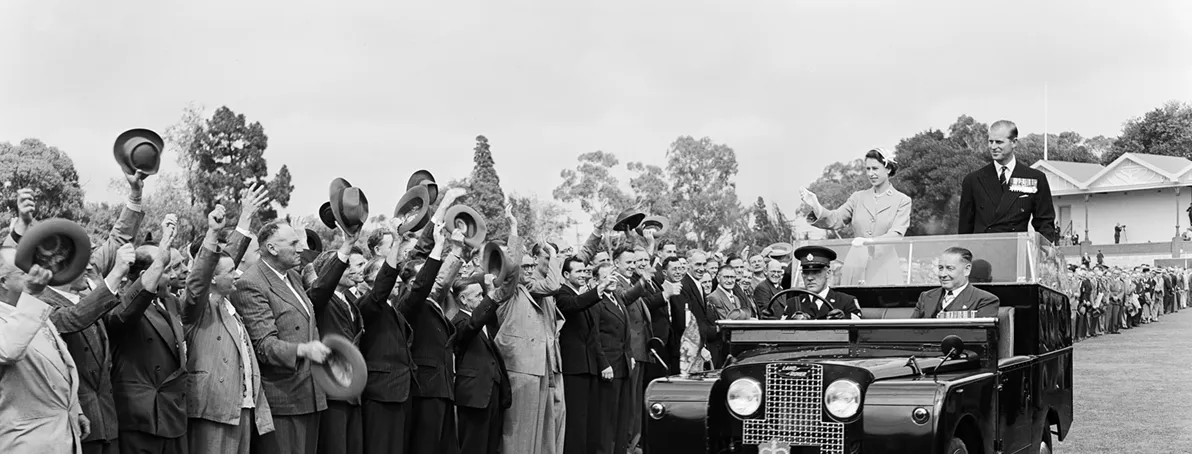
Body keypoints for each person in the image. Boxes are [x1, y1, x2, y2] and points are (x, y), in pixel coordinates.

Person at [231, 220, 344, 454]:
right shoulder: (251, 283)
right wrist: (303, 350)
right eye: (293, 243)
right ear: (272, 248)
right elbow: (264, 345)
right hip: (283, 400)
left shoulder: (292, 275)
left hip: (310, 393)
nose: (300, 248)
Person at [183, 191, 275, 454]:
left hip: (242, 406)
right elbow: (202, 276)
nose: (236, 275)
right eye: (229, 273)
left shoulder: (229, 306)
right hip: (212, 408)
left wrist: (245, 217)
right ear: (213, 279)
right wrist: (213, 234)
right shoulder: (198, 307)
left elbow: (224, 263)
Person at [491, 203, 566, 454]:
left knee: (540, 430)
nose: (532, 271)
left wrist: (552, 255)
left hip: (541, 366)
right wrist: (514, 227)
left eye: (533, 266)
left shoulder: (535, 289)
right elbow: (512, 269)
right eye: (527, 268)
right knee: (518, 431)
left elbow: (554, 283)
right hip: (519, 368)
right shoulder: (507, 290)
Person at [0, 263, 88, 454]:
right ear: (3, 282)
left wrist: (75, 409)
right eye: (24, 273)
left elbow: (56, 363)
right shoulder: (29, 308)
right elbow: (9, 351)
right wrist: (30, 295)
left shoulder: (33, 311)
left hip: (61, 434)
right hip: (24, 442)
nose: (35, 276)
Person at [801, 148, 912, 286]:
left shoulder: (902, 200)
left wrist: (869, 241)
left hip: (884, 267)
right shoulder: (857, 197)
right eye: (868, 169)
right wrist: (817, 207)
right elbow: (836, 219)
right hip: (855, 265)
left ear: (888, 169)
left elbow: (896, 234)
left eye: (875, 169)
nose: (871, 174)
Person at [958, 120, 1059, 244]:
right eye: (991, 141)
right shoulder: (973, 180)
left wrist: (1045, 249)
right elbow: (965, 228)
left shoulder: (1035, 178)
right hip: (982, 253)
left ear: (1014, 142)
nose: (993, 147)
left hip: (1016, 253)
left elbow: (1044, 223)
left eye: (999, 142)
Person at [450, 273, 511, 454]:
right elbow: (472, 325)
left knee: (492, 445)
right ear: (463, 299)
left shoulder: (483, 321)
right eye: (478, 295)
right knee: (474, 446)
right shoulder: (459, 321)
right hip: (474, 396)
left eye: (482, 294)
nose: (483, 298)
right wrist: (492, 295)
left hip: (491, 391)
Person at [551, 257, 602, 454]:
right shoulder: (561, 294)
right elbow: (574, 304)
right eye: (578, 271)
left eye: (585, 271)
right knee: (576, 421)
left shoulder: (581, 294)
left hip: (588, 366)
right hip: (573, 367)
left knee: (590, 420)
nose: (583, 275)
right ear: (565, 275)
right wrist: (598, 290)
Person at [592, 262, 633, 454]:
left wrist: (630, 356)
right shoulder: (597, 302)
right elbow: (595, 337)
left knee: (621, 415)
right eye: (606, 276)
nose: (612, 280)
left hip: (623, 364)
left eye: (613, 275)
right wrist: (603, 364)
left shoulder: (616, 297)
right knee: (606, 416)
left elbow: (626, 333)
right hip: (609, 366)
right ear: (597, 280)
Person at [910, 247, 1000, 319]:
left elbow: (979, 337)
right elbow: (909, 332)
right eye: (941, 268)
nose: (942, 274)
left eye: (950, 268)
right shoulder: (925, 297)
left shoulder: (985, 300)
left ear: (967, 270)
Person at [782, 246, 862, 320]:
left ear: (828, 273)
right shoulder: (793, 304)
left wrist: (843, 321)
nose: (810, 278)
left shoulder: (846, 302)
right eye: (806, 273)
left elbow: (859, 331)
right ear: (802, 275)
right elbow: (780, 333)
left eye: (816, 272)